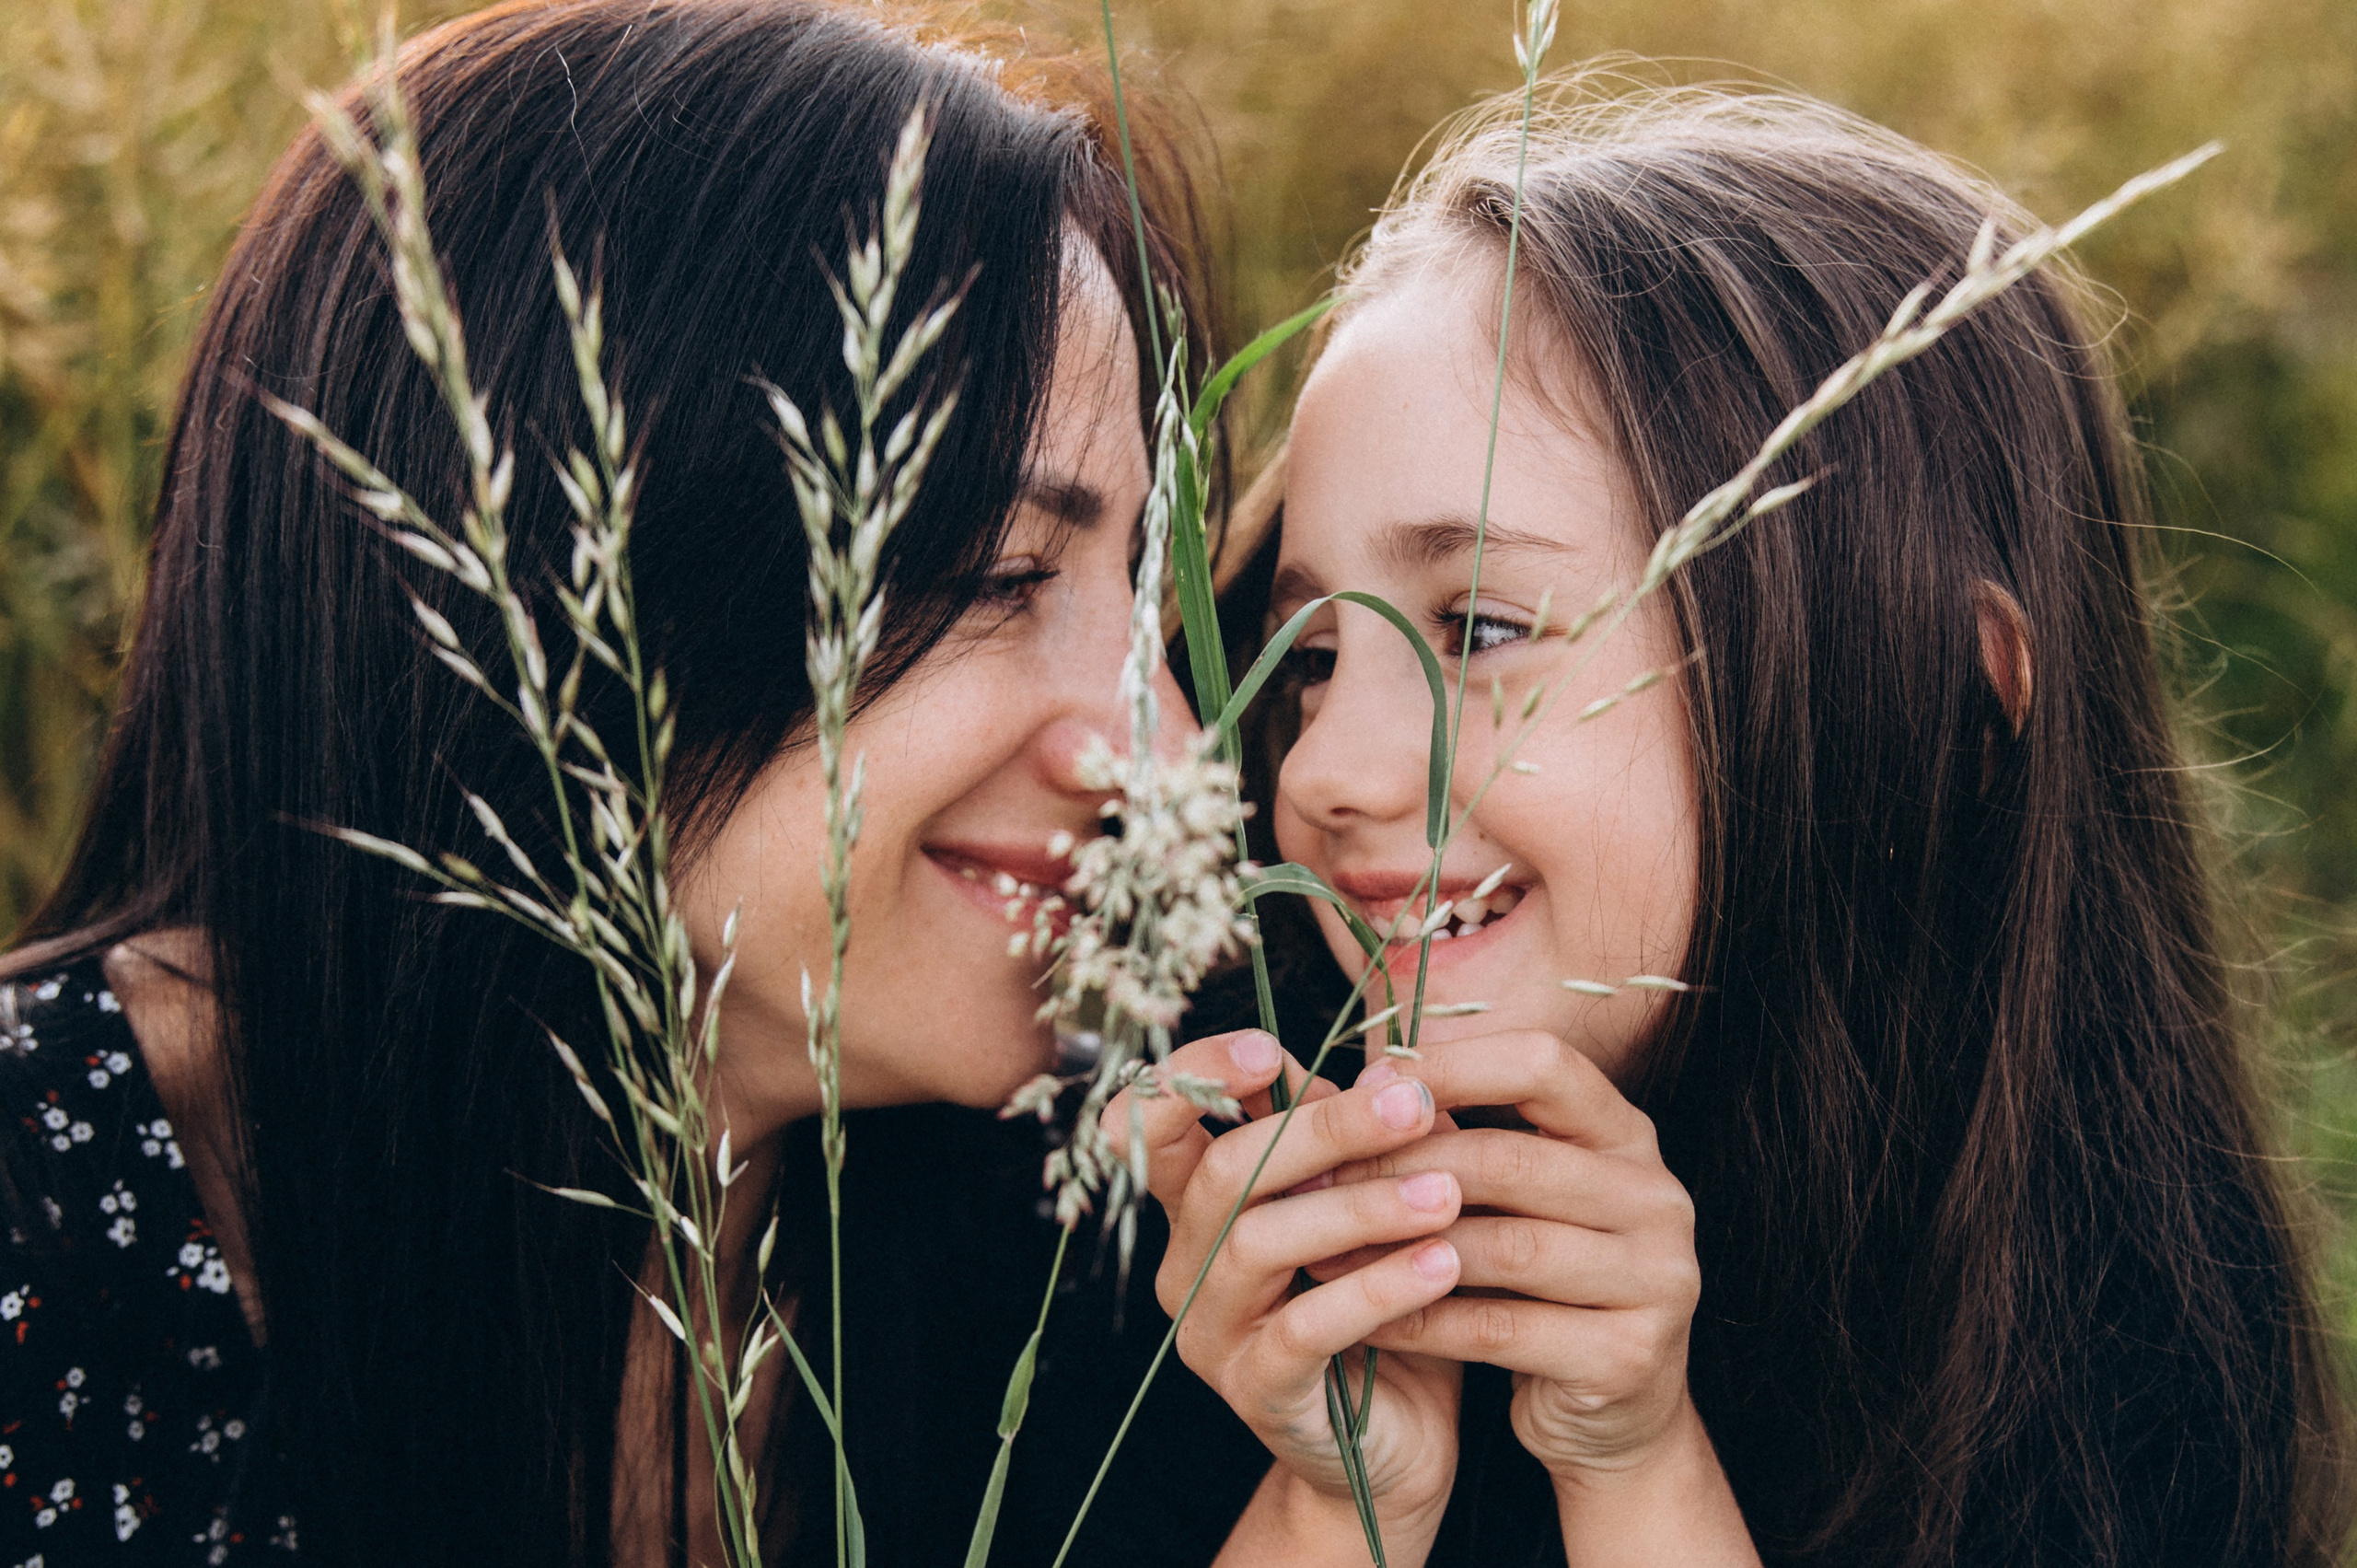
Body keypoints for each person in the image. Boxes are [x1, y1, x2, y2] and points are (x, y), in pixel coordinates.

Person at [0, 2, 1256, 1562]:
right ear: (546, 568)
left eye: (1144, 599)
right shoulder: (42, 1228)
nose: (1163, 753)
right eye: (1002, 575)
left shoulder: (1121, 1253)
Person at [1120, 79, 2356, 1567]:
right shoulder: (1182, 1226)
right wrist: (1336, 1499)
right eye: (1309, 656)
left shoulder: (2134, 1347)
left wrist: (1633, 1468)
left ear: (1940, 699)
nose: (1324, 773)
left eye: (1483, 626)